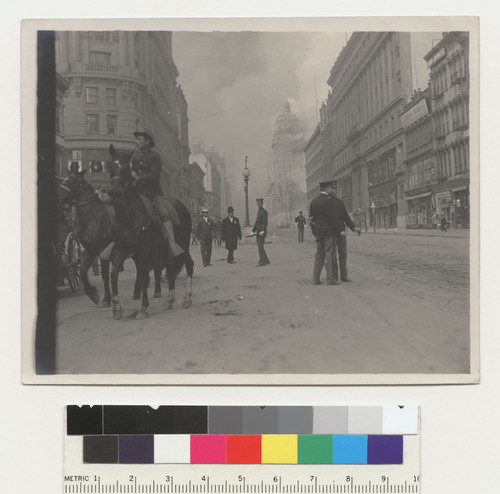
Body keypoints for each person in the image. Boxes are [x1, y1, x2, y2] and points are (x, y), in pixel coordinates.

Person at [130, 131, 184, 258]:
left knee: (164, 213)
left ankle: (172, 243)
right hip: (137, 192)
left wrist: (138, 177)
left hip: (152, 192)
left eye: (139, 139)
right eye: (136, 139)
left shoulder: (154, 156)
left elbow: (154, 176)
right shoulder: (135, 157)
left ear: (147, 141)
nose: (136, 141)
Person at [329, 181, 361, 282]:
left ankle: (344, 276)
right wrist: (339, 230)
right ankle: (334, 276)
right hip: (332, 233)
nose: (335, 191)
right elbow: (331, 218)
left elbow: (345, 217)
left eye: (336, 189)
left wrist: (354, 227)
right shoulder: (326, 203)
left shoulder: (340, 202)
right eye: (333, 189)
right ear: (329, 190)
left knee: (343, 255)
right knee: (333, 255)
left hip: (341, 233)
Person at [309, 181, 337, 285]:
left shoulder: (313, 201)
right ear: (327, 189)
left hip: (318, 232)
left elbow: (311, 220)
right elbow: (333, 218)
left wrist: (314, 232)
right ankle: (330, 279)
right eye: (330, 188)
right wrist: (337, 230)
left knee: (319, 255)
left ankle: (315, 279)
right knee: (329, 254)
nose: (332, 189)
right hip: (329, 232)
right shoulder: (330, 201)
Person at [252, 198, 270, 266]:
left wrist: (263, 230)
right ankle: (266, 259)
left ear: (262, 204)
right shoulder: (259, 211)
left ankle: (262, 261)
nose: (259, 205)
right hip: (258, 231)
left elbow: (265, 222)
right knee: (260, 246)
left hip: (261, 231)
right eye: (258, 203)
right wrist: (253, 230)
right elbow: (257, 221)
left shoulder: (264, 211)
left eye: (260, 203)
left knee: (260, 246)